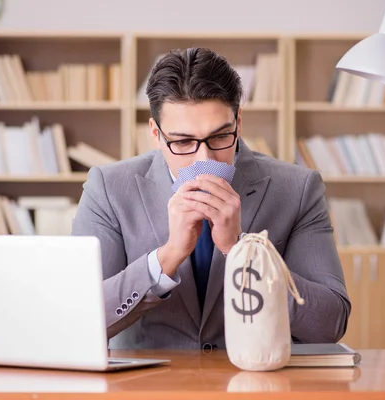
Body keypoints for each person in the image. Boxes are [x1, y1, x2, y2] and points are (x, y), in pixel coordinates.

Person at [72, 47, 350, 350]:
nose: (203, 158)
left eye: (219, 137)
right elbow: (79, 320)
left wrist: (241, 250)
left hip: (255, 383)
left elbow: (330, 323)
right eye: (182, 141)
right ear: (155, 133)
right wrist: (168, 256)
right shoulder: (109, 189)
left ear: (238, 124)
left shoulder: (297, 189)